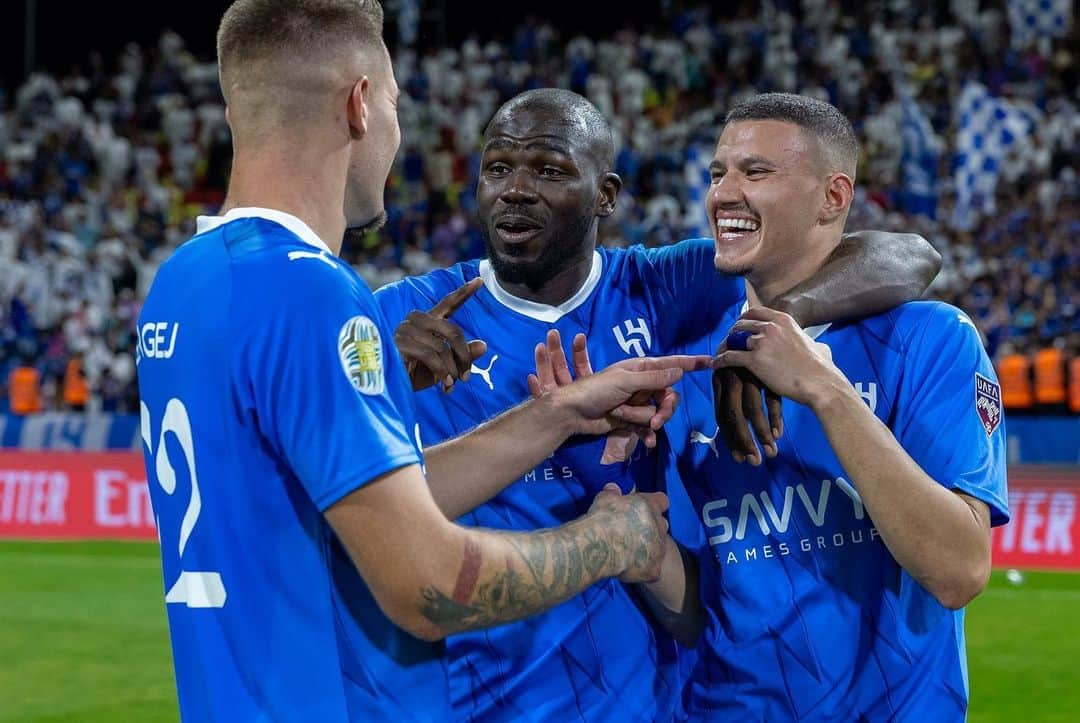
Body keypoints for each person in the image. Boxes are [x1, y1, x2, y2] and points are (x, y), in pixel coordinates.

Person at [136, 2, 711, 720]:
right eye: (398, 104)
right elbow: (429, 585)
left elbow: (352, 500)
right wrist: (607, 541)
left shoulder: (182, 283)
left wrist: (552, 415)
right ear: (361, 103)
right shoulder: (311, 293)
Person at [374, 88, 942, 722]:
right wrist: (377, 377)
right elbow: (321, 500)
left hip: (636, 697)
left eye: (550, 170)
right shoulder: (405, 318)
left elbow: (907, 255)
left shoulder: (664, 286)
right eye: (499, 168)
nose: (516, 188)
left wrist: (772, 320)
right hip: (461, 695)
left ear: (605, 196)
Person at [657, 93, 1008, 720]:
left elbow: (958, 571)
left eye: (756, 172)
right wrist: (635, 545)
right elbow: (699, 607)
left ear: (834, 197)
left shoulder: (927, 339)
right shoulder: (692, 364)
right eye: (718, 173)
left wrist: (826, 391)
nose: (723, 194)